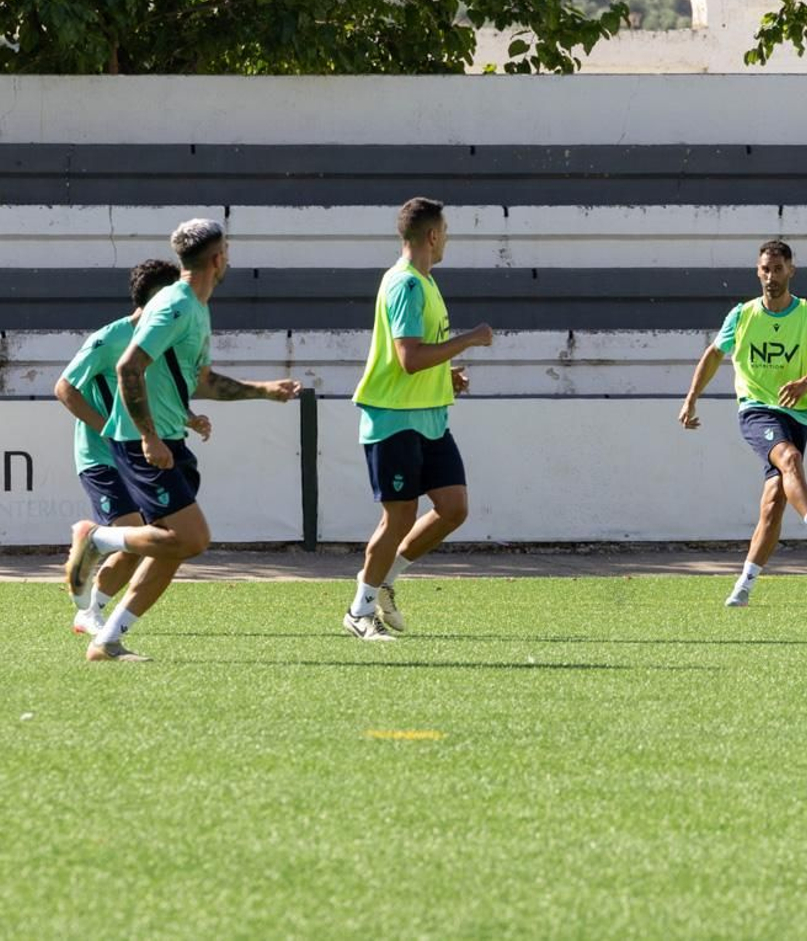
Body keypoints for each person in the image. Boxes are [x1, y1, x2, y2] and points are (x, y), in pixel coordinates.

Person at [62, 219, 301, 661]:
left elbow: (200, 379)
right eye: (226, 251)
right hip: (142, 442)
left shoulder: (194, 305)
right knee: (192, 538)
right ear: (218, 259)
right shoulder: (177, 305)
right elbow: (129, 367)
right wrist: (150, 437)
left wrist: (262, 391)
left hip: (168, 440)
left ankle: (108, 639)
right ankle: (98, 540)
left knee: (173, 548)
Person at [345, 197, 493, 642]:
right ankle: (359, 611)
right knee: (399, 517)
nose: (446, 239)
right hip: (394, 420)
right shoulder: (405, 285)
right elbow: (408, 359)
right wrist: (469, 340)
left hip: (428, 417)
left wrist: (445, 376)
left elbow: (408, 357)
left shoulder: (425, 282)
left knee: (453, 508)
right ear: (432, 235)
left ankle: (385, 579)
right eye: (445, 231)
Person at [678, 239, 807, 607]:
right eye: (764, 270)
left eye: (777, 269)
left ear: (791, 270)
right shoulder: (742, 316)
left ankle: (744, 585)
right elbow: (714, 355)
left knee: (773, 503)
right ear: (757, 271)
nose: (770, 277)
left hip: (796, 412)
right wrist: (692, 397)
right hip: (756, 409)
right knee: (789, 459)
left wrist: (805, 382)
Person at [54, 259, 187, 634]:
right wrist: (110, 430)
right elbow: (64, 388)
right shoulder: (109, 338)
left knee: (154, 540)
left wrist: (188, 417)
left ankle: (90, 610)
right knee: (136, 537)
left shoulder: (161, 340)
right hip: (101, 457)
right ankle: (92, 549)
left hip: (136, 456)